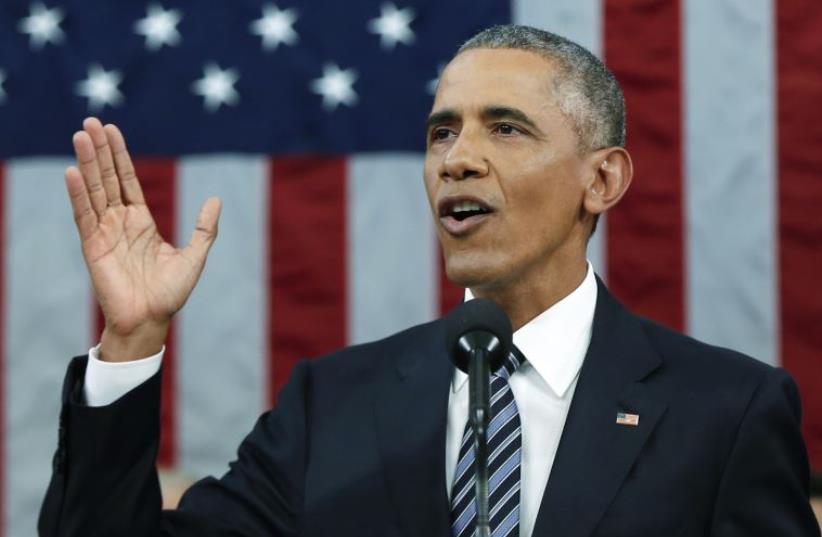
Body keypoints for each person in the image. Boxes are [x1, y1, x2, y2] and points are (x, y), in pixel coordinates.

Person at [39, 25, 820, 537]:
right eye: (442, 131)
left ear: (603, 179)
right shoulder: (333, 402)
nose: (457, 158)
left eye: (505, 128)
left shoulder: (726, 412)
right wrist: (133, 339)